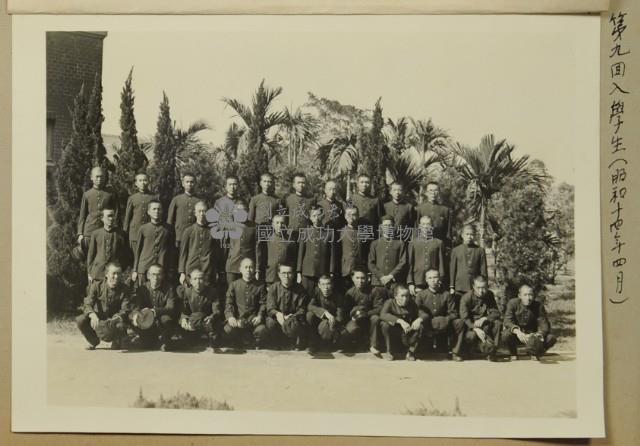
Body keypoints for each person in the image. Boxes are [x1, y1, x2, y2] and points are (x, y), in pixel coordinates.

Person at [76, 263, 132, 350]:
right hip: (99, 319)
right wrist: (92, 314)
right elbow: (87, 303)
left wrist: (116, 318)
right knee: (80, 320)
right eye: (113, 273)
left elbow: (125, 309)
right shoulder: (97, 286)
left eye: (119, 273)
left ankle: (117, 339)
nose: (116, 276)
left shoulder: (125, 289)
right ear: (106, 274)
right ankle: (93, 340)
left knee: (120, 326)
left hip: (114, 321)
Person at [415, 269, 465, 361]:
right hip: (428, 324)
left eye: (435, 277)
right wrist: (425, 318)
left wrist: (445, 319)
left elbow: (453, 313)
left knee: (459, 322)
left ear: (439, 279)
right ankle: (415, 351)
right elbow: (417, 311)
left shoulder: (446, 294)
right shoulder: (421, 295)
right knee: (418, 323)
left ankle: (455, 352)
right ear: (426, 280)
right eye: (430, 278)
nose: (433, 280)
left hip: (444, 324)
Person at [501, 284, 556, 361]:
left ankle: (535, 352)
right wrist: (517, 332)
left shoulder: (538, 306)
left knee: (551, 338)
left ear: (533, 296)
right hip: (517, 336)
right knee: (505, 334)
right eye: (525, 295)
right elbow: (507, 321)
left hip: (532, 337)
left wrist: (537, 335)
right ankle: (513, 353)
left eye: (530, 295)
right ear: (519, 296)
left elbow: (544, 325)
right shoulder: (513, 303)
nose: (528, 298)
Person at [130, 264, 178, 351]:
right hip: (146, 320)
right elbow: (137, 305)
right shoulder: (142, 288)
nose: (156, 277)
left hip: (161, 320)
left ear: (163, 276)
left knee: (166, 319)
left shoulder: (169, 288)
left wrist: (154, 311)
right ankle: (147, 338)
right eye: (153, 274)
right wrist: (136, 314)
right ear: (148, 276)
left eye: (159, 274)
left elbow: (171, 308)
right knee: (147, 345)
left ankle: (165, 339)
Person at [223, 258, 268, 349]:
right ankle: (237, 341)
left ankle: (254, 342)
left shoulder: (260, 285)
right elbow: (229, 303)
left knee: (262, 330)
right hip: (238, 320)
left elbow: (263, 303)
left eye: (251, 267)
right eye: (246, 267)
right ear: (240, 269)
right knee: (227, 329)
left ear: (255, 269)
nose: (248, 270)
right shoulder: (234, 285)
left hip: (253, 321)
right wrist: (231, 317)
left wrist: (259, 316)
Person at [176, 269, 223, 350]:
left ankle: (212, 340)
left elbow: (217, 310)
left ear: (205, 280)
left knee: (215, 338)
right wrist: (184, 319)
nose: (198, 282)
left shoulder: (212, 291)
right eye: (195, 279)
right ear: (190, 281)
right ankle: (193, 338)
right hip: (192, 321)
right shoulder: (187, 292)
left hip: (207, 321)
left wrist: (212, 317)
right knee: (186, 336)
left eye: (200, 279)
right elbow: (184, 310)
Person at [265, 263, 309, 350]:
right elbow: (270, 308)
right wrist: (278, 314)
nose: (286, 276)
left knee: (296, 323)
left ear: (293, 275)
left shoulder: (300, 289)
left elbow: (302, 309)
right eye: (283, 273)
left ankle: (294, 341)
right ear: (279, 274)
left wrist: (292, 317)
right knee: (270, 322)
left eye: (289, 273)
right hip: (278, 319)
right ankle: (277, 342)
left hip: (293, 319)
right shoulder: (274, 288)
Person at [459, 275, 502, 361]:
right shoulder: (466, 297)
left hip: (485, 325)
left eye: (484, 288)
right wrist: (475, 328)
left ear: (487, 286)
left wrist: (485, 318)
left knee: (498, 323)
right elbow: (464, 317)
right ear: (473, 286)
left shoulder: (489, 295)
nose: (481, 291)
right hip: (471, 327)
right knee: (470, 336)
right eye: (478, 287)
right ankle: (468, 351)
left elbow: (496, 312)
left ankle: (492, 352)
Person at [132, 200, 175, 286]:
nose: (156, 211)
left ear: (162, 211)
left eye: (159, 209)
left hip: (161, 267)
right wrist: (135, 270)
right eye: (154, 209)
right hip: (144, 268)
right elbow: (138, 251)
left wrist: (170, 268)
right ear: (148, 212)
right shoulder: (143, 228)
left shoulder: (168, 229)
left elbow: (171, 250)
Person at [179, 201, 221, 287]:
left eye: (204, 211)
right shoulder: (188, 231)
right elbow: (183, 253)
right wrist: (182, 272)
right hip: (191, 268)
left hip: (207, 269)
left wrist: (216, 270)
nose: (202, 214)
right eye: (199, 211)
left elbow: (216, 253)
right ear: (195, 213)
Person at [342, 268, 384, 352]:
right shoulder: (350, 293)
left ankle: (373, 345)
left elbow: (379, 308)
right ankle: (356, 343)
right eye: (357, 278)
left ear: (367, 279)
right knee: (350, 329)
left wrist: (367, 313)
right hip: (356, 319)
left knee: (375, 318)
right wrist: (354, 316)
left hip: (369, 318)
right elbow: (345, 311)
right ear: (352, 279)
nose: (360, 281)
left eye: (362, 278)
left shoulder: (374, 291)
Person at [296, 205, 336, 295]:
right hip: (307, 271)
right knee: (306, 294)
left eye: (319, 215)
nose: (316, 218)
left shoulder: (329, 233)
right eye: (314, 216)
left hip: (322, 271)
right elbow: (301, 253)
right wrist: (299, 272)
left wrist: (331, 271)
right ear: (310, 218)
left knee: (321, 295)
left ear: (323, 216)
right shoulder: (305, 232)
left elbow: (332, 255)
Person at [77, 166, 118, 254]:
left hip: (105, 229)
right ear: (91, 178)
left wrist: (116, 228)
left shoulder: (110, 194)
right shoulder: (87, 194)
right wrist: (80, 233)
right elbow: (82, 215)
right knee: (90, 257)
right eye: (97, 176)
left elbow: (116, 212)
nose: (99, 179)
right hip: (89, 232)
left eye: (101, 176)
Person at [379, 284, 422, 361]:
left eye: (407, 296)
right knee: (384, 325)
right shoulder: (389, 303)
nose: (405, 299)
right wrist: (400, 321)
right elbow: (383, 314)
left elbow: (423, 314)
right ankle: (389, 352)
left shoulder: (412, 303)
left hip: (408, 331)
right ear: (395, 296)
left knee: (421, 326)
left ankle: (411, 352)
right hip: (395, 330)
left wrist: (419, 319)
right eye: (402, 296)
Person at [86, 208, 128, 284]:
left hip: (113, 275)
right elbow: (91, 255)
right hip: (97, 273)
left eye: (113, 216)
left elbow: (124, 255)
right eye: (109, 216)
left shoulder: (121, 234)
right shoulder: (96, 234)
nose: (111, 218)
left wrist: (120, 269)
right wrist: (89, 273)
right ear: (102, 218)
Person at [306, 275, 346, 351]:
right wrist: (324, 312)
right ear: (319, 285)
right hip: (319, 320)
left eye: (328, 284)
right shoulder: (316, 292)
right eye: (323, 284)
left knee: (327, 327)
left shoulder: (338, 296)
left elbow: (340, 317)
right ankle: (312, 343)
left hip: (332, 324)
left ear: (332, 285)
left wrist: (333, 322)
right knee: (309, 315)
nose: (326, 288)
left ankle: (330, 344)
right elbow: (310, 306)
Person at [407, 216, 445, 296]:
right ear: (419, 226)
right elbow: (410, 264)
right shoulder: (413, 243)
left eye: (428, 224)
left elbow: (441, 263)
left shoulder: (438, 243)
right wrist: (410, 282)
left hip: (433, 280)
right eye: (423, 224)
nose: (425, 227)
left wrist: (440, 279)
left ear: (432, 226)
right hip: (418, 279)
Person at [257, 214, 298, 285]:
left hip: (285, 276)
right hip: (271, 275)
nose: (280, 225)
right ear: (273, 225)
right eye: (277, 223)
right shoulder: (267, 240)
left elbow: (294, 259)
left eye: (282, 223)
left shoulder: (290, 240)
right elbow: (262, 256)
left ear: (285, 224)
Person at [368, 215, 407, 288]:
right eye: (385, 225)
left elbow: (403, 262)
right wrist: (381, 276)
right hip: (378, 282)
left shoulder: (400, 243)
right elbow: (371, 263)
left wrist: (391, 275)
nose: (388, 228)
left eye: (390, 225)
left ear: (394, 227)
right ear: (381, 227)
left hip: (395, 282)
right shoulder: (375, 243)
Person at [224, 200, 257, 284]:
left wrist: (257, 268)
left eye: (243, 211)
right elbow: (224, 248)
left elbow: (257, 248)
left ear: (247, 212)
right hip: (232, 266)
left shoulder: (254, 227)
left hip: (248, 267)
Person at [449, 225, 487, 298]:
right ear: (462, 235)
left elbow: (483, 269)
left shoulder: (480, 250)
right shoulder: (456, 250)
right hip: (460, 286)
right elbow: (452, 269)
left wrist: (484, 284)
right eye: (467, 234)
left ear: (475, 235)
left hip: (475, 285)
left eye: (471, 234)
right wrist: (452, 286)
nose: (469, 237)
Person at [122, 173, 157, 252]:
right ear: (136, 183)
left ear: (148, 182)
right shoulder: (132, 198)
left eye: (145, 180)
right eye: (140, 180)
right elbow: (127, 217)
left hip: (149, 232)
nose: (142, 183)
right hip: (135, 232)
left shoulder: (154, 197)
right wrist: (125, 232)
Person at [167, 172, 201, 249]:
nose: (189, 184)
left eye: (192, 182)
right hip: (179, 237)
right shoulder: (176, 199)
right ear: (183, 184)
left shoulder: (199, 201)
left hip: (194, 236)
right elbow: (170, 221)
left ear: (195, 183)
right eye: (187, 182)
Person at [336, 206, 366, 292]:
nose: (351, 217)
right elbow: (337, 252)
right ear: (345, 216)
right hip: (345, 269)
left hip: (359, 269)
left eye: (354, 215)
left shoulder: (362, 232)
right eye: (349, 215)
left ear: (358, 215)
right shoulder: (340, 232)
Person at [415, 181, 452, 247]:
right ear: (426, 192)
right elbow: (416, 227)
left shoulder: (445, 210)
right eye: (430, 190)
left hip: (440, 244)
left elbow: (448, 231)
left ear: (439, 192)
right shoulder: (420, 209)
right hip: (423, 244)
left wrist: (447, 245)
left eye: (435, 190)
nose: (433, 193)